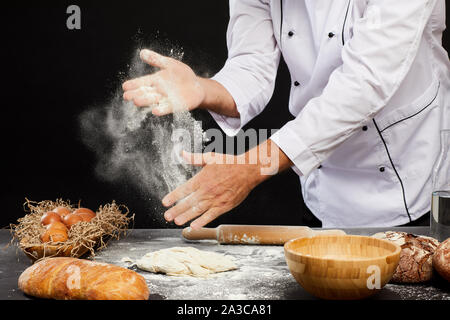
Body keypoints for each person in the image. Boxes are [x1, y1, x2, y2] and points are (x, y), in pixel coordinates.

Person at [122, 0, 450, 229]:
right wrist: (202, 88)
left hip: (407, 177)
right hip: (323, 182)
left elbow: (365, 83)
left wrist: (250, 168)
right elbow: (251, 65)